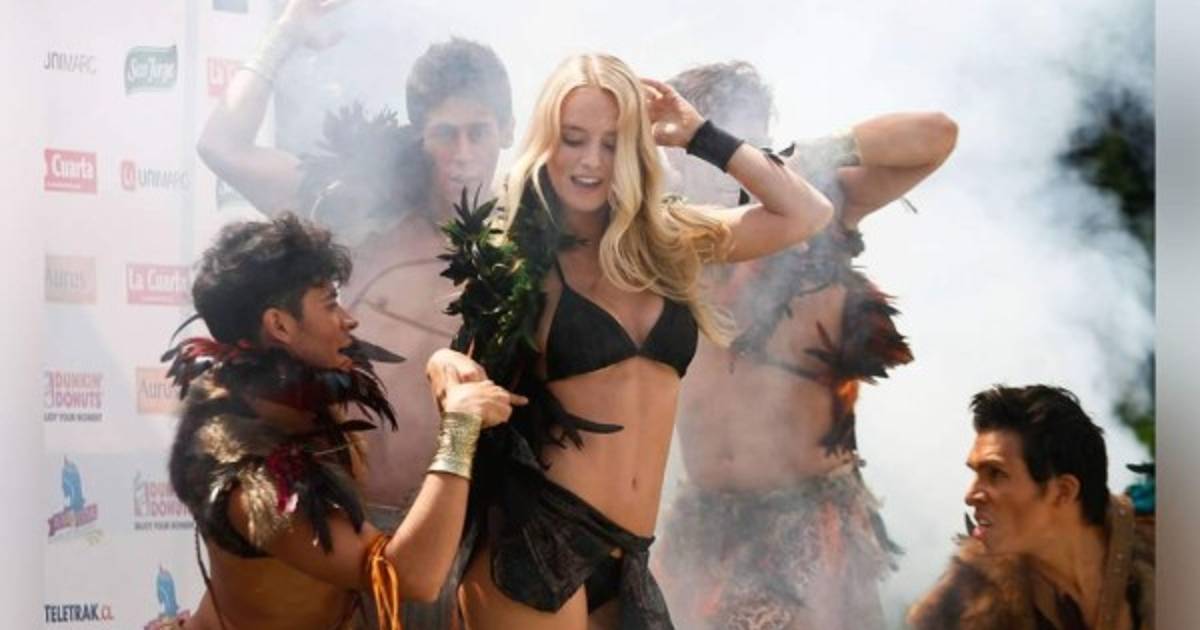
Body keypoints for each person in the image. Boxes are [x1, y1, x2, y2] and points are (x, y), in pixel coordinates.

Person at [443, 52, 834, 630]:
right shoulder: (516, 263)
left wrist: (699, 134)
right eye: (573, 139)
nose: (591, 161)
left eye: (612, 143)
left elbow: (807, 213)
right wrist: (441, 365)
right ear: (546, 141)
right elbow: (465, 390)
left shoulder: (669, 240)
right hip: (536, 543)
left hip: (631, 557)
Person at [197, 4, 515, 623]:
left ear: (506, 129)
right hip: (345, 530)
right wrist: (288, 30)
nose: (462, 153)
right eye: (444, 133)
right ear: (417, 134)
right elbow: (222, 146)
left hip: (460, 534)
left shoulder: (524, 246)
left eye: (479, 132)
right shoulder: (355, 207)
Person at [653, 60, 957, 629]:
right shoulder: (660, 238)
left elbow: (937, 135)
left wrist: (807, 155)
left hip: (806, 520)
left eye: (716, 137)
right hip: (703, 524)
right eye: (689, 140)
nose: (707, 157)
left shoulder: (815, 214)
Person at [165, 214, 524, 630]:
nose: (349, 320)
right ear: (279, 325)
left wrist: (444, 362)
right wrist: (460, 428)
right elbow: (410, 577)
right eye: (330, 304)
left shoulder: (299, 400)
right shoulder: (247, 475)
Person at [907, 385, 1155, 630]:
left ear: (1063, 491)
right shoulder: (969, 604)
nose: (970, 496)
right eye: (976, 473)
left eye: (997, 474)